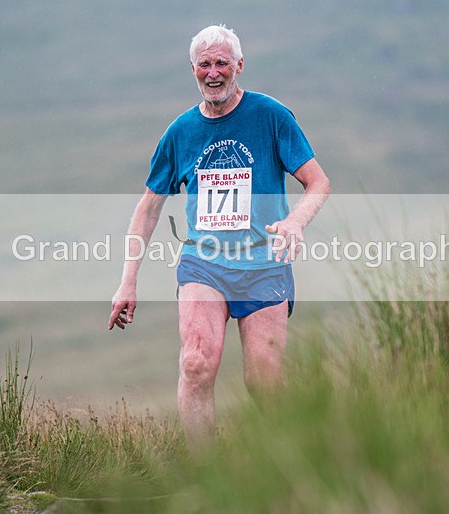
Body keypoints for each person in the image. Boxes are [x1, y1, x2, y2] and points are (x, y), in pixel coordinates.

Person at [108, 24, 329, 458]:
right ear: (193, 70)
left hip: (264, 263)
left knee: (263, 384)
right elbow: (148, 209)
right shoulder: (180, 132)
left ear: (239, 66)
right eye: (205, 64)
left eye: (222, 63)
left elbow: (318, 182)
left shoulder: (271, 117)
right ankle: (205, 476)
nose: (214, 73)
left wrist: (295, 222)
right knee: (196, 362)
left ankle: (290, 468)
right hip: (204, 263)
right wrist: (127, 281)